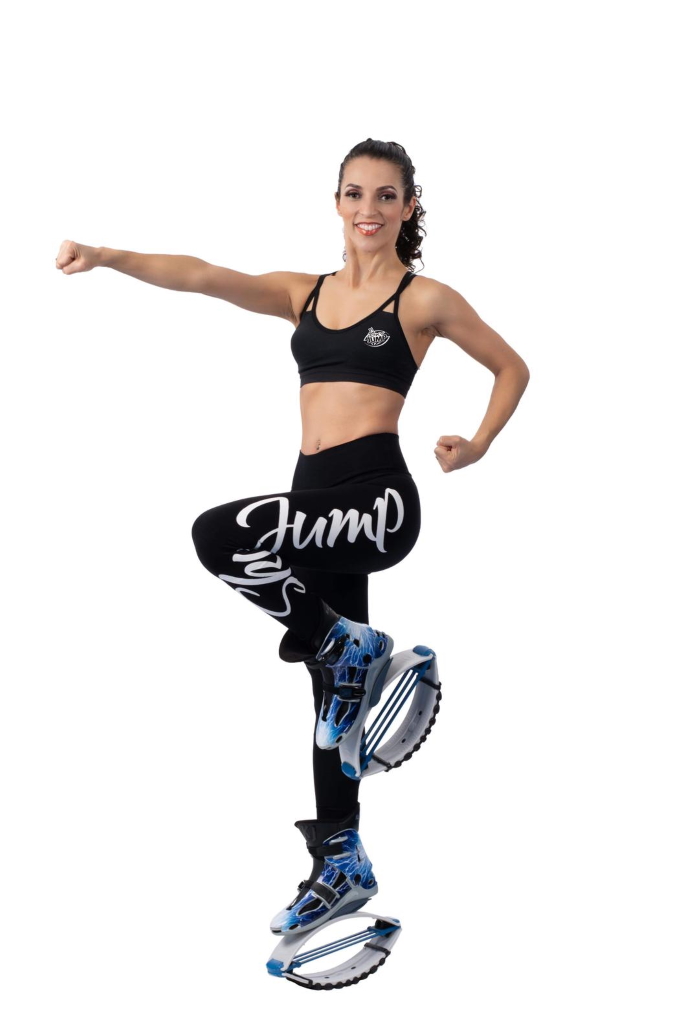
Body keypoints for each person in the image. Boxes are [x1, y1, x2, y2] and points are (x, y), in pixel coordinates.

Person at [55, 137, 530, 938]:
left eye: (386, 196)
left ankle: (349, 647)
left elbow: (512, 366)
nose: (369, 209)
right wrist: (106, 256)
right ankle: (342, 860)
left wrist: (477, 444)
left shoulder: (423, 299)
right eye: (355, 194)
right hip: (314, 500)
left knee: (220, 535)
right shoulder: (303, 293)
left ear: (409, 207)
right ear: (337, 202)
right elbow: (203, 275)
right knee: (331, 693)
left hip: (375, 500)